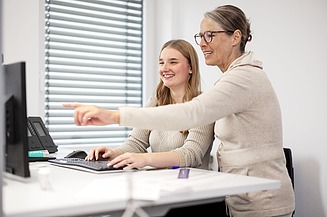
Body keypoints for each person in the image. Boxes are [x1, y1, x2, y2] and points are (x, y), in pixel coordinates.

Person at [64, 5, 295, 217]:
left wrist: (114, 116)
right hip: (240, 200)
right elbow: (138, 140)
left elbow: (191, 116)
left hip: (263, 202)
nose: (203, 43)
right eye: (201, 36)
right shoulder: (229, 80)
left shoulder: (243, 78)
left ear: (235, 37)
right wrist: (116, 154)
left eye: (210, 35)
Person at [84, 39, 214, 170]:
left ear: (191, 68)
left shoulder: (203, 105)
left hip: (191, 184)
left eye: (173, 62)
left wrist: (146, 159)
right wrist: (113, 154)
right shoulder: (155, 102)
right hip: (159, 183)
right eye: (161, 62)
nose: (164, 68)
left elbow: (191, 154)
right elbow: (136, 143)